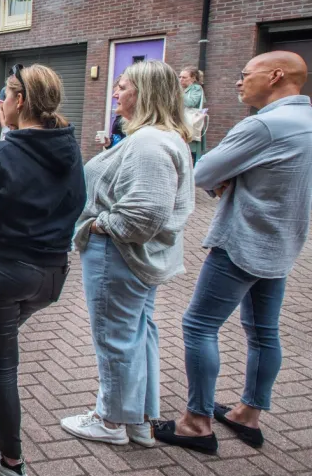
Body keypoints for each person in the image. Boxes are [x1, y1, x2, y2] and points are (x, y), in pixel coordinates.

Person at [154, 51, 312, 454]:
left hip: (242, 242)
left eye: (245, 75)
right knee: (263, 333)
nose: (239, 82)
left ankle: (196, 423)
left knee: (199, 326)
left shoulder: (263, 125)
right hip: (282, 244)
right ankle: (248, 414)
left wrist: (227, 179)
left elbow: (203, 172)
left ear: (276, 76)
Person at [0, 64, 85, 476]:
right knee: (3, 344)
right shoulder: (69, 147)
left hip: (3, 272)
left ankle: (9, 458)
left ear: (20, 102)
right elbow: (76, 202)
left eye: (4, 95)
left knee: (1, 365)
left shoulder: (2, 153)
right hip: (51, 275)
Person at [61, 60, 194, 448]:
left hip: (118, 256)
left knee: (114, 337)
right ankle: (137, 418)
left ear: (146, 93)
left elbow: (145, 213)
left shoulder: (150, 143)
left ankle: (110, 419)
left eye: (123, 86)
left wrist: (98, 225)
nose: (116, 93)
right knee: (138, 333)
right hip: (136, 257)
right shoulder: (164, 138)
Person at [180, 66, 207, 164]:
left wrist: (178, 93)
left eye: (184, 77)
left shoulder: (196, 88)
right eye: (180, 77)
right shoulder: (183, 89)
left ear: (193, 78)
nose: (181, 80)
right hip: (183, 123)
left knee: (190, 150)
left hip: (190, 122)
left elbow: (191, 102)